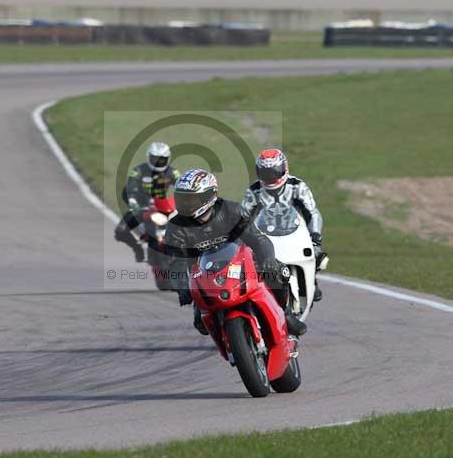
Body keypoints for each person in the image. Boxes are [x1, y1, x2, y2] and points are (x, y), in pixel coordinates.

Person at [166, 168, 307, 337]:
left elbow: (258, 239)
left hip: (242, 264)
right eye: (183, 199)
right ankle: (228, 340)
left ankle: (286, 315)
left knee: (278, 272)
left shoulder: (231, 211)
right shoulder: (176, 227)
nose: (186, 204)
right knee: (201, 323)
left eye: (191, 199)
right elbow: (176, 261)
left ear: (209, 195)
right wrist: (182, 286)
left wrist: (268, 259)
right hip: (205, 276)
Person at [241, 148, 327, 302]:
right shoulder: (254, 190)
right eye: (265, 173)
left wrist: (315, 238)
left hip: (294, 231)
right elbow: (243, 217)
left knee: (317, 254)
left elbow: (312, 213)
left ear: (284, 169)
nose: (270, 177)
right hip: (266, 235)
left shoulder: (297, 186)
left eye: (274, 172)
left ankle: (311, 279)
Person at [114, 142, 180, 262]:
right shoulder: (139, 170)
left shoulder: (172, 172)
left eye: (162, 160)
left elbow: (181, 185)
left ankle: (181, 254)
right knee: (120, 231)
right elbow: (131, 187)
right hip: (141, 208)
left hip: (162, 207)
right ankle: (137, 248)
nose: (158, 162)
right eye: (155, 159)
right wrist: (133, 202)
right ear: (149, 157)